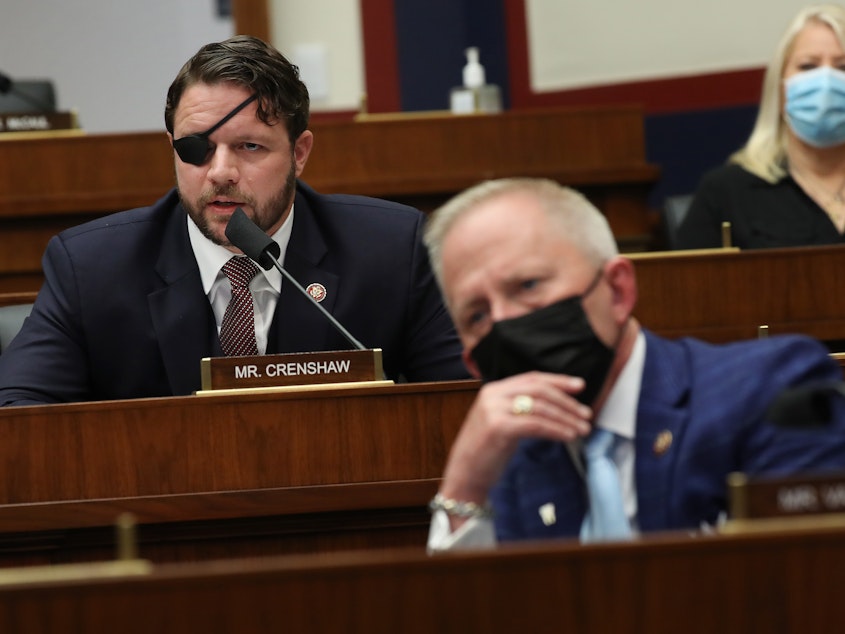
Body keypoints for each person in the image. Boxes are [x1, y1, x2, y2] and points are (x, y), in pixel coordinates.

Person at [0, 36, 469, 406]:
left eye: (249, 146)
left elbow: (463, 403)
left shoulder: (391, 250)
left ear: (299, 153)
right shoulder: (91, 268)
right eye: (195, 149)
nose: (220, 172)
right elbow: (21, 415)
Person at [423, 177, 845, 550]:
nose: (505, 323)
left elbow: (806, 589)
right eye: (476, 315)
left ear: (618, 291)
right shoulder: (508, 466)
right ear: (471, 363)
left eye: (528, 285)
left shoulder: (771, 389)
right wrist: (464, 488)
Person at [677, 4, 845, 250]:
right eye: (808, 66)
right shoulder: (725, 193)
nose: (826, 82)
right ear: (780, 86)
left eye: (842, 68)